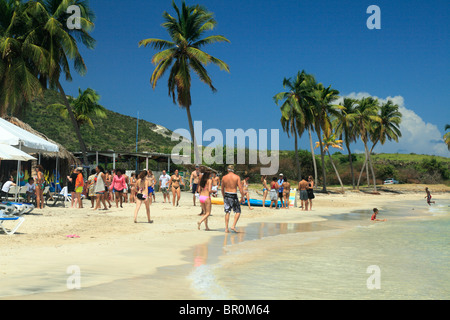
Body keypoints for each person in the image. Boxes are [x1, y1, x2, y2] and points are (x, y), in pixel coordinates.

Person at [221, 165, 244, 233]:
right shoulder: (237, 177)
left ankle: (226, 228)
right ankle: (233, 225)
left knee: (227, 211)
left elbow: (222, 188)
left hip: (227, 195)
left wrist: (223, 196)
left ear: (228, 170)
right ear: (233, 170)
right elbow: (240, 188)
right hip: (233, 195)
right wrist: (242, 197)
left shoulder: (224, 177)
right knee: (238, 211)